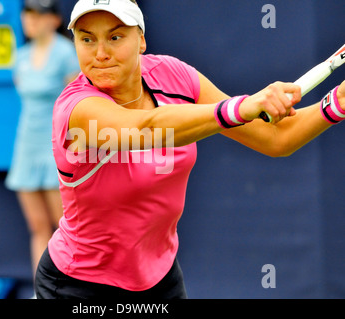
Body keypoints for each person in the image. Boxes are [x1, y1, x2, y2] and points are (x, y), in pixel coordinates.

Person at [34, 0, 345, 299]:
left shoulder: (175, 77)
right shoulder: (76, 109)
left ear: (141, 40)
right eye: (87, 39)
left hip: (160, 278)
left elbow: (276, 138)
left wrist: (337, 104)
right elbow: (148, 128)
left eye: (115, 36)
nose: (100, 53)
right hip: (80, 285)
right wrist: (238, 109)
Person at [5, 0, 80, 279]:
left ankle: (71, 287)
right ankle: (42, 289)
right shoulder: (20, 56)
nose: (31, 20)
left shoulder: (67, 54)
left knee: (65, 226)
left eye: (38, 14)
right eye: (27, 14)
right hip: (26, 146)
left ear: (54, 20)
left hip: (56, 147)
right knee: (38, 227)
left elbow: (75, 103)